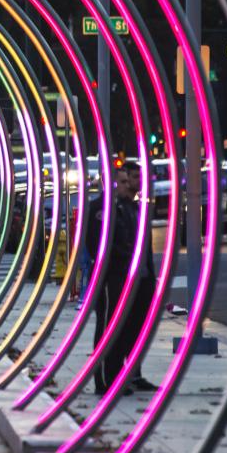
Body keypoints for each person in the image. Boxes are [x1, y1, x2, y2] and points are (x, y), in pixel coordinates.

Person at [92, 164, 157, 395]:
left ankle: (122, 376)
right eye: (122, 182)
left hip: (132, 277)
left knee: (129, 328)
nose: (126, 185)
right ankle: (105, 379)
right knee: (109, 328)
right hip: (112, 277)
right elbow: (99, 245)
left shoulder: (129, 208)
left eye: (125, 182)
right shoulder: (102, 209)